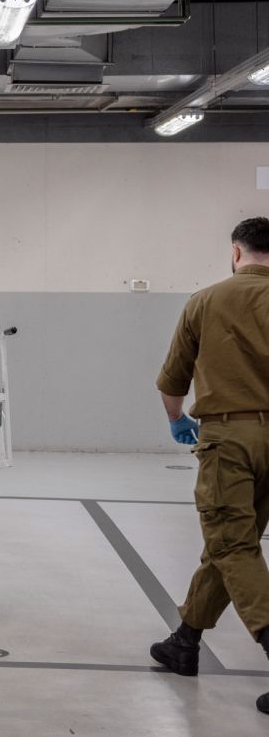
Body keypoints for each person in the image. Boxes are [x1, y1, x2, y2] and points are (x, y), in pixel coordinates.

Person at [149, 217, 269, 714]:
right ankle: (185, 640)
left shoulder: (206, 300)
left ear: (235, 253)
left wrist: (176, 418)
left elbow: (173, 378)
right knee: (226, 544)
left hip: (230, 437)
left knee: (232, 541)